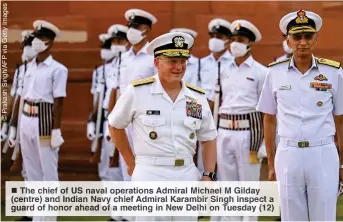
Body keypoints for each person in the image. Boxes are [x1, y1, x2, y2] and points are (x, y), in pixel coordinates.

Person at [108, 32, 217, 221]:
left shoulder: (196, 97)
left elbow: (208, 137)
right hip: (150, 174)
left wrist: (208, 174)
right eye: (172, 61)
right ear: (157, 63)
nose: (179, 67)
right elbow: (115, 125)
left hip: (186, 175)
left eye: (183, 61)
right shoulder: (138, 92)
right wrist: (131, 162)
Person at [257, 10, 343, 221]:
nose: (302, 42)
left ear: (316, 39)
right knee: (291, 216)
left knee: (323, 216)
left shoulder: (333, 72)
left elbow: (340, 120)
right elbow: (269, 119)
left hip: (323, 152)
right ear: (288, 40)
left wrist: (342, 164)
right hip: (288, 153)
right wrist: (270, 162)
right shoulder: (274, 73)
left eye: (307, 36)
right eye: (297, 37)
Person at [8, 20, 67, 221]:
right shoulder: (27, 67)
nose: (35, 42)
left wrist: (56, 130)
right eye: (35, 38)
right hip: (27, 118)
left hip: (44, 118)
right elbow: (21, 96)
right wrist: (14, 128)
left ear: (49, 42)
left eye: (40, 39)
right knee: (32, 171)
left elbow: (59, 102)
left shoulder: (58, 69)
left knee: (47, 173)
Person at [208, 19, 267, 222]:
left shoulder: (261, 72)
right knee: (227, 184)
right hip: (224, 130)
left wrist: (263, 144)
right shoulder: (223, 69)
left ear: (250, 43)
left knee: (248, 186)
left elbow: (267, 111)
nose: (234, 43)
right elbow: (216, 101)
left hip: (249, 132)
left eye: (240, 39)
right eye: (232, 39)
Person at [116, 8, 158, 183]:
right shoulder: (124, 57)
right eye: (129, 26)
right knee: (126, 171)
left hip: (145, 121)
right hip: (124, 121)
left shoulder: (154, 57)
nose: (131, 30)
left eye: (136, 26)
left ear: (146, 30)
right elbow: (119, 90)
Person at [200, 18, 233, 98]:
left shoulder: (234, 63)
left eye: (219, 37)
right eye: (212, 36)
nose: (214, 40)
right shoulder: (201, 63)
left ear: (228, 41)